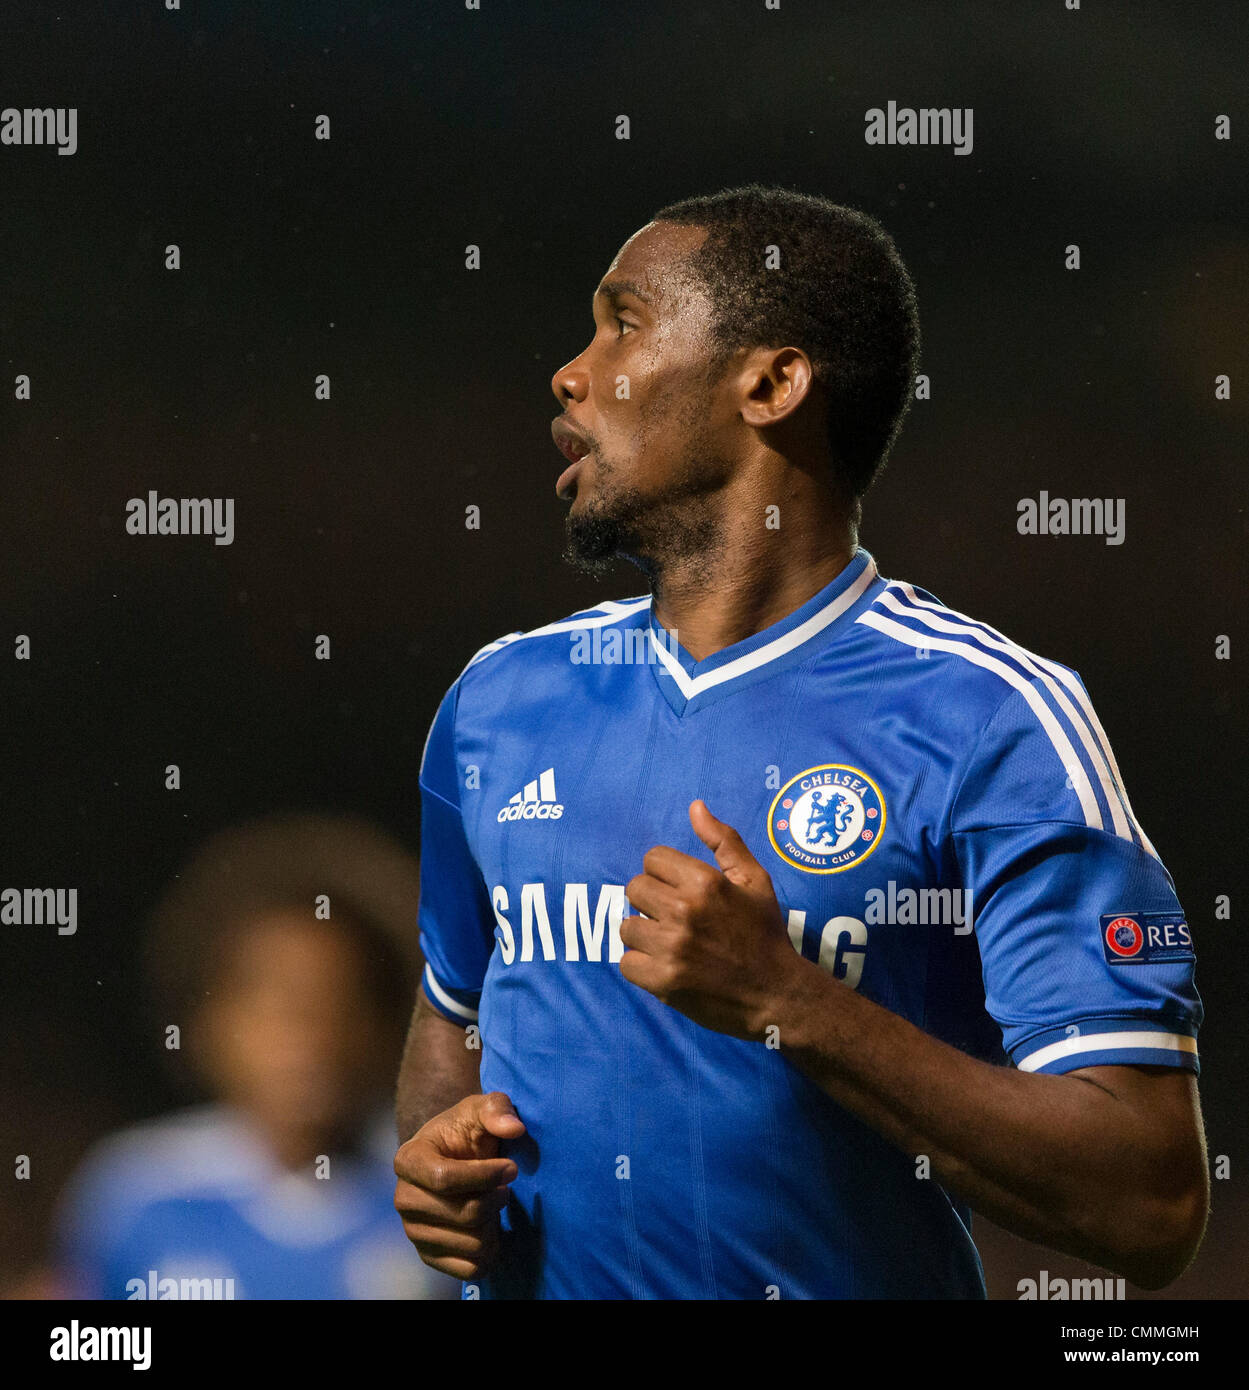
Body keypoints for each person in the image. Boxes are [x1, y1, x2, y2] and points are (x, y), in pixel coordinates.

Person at [393, 184, 1207, 1299]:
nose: (570, 371)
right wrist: (441, 1167)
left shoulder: (989, 717)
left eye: (621, 321)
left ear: (771, 384)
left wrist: (789, 1000)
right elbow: (454, 1018)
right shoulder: (499, 702)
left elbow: (1150, 1202)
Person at [57, 813, 459, 1300]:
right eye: (271, 1006)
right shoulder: (136, 1194)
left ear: (388, 1027)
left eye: (335, 1003)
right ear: (208, 1026)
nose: (304, 1034)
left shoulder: (436, 1188)